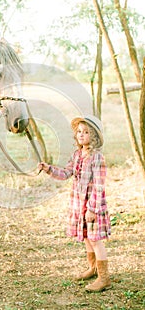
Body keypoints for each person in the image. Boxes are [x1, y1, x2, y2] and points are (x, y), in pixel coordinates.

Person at [39, 115, 111, 292]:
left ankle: (104, 278)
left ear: (93, 137)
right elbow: (65, 173)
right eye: (79, 131)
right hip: (79, 205)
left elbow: (99, 185)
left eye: (86, 132)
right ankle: (93, 268)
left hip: (93, 206)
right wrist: (49, 169)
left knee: (96, 240)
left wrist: (92, 209)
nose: (81, 135)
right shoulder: (77, 155)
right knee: (86, 237)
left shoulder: (97, 158)